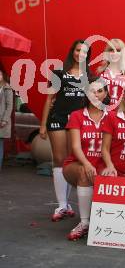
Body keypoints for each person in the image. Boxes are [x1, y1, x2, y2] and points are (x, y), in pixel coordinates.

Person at [40, 39, 92, 221]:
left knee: (71, 160)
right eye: (78, 50)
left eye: (84, 52)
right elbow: (49, 99)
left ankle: (68, 203)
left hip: (78, 122)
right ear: (73, 51)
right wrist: (42, 125)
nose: (80, 54)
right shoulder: (59, 73)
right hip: (58, 119)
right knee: (59, 159)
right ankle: (62, 205)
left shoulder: (90, 77)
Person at [63, 77, 109, 240]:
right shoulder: (77, 115)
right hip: (76, 164)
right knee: (84, 172)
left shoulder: (112, 116)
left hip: (101, 165)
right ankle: (84, 222)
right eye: (92, 91)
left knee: (112, 176)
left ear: (105, 94)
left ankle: (107, 222)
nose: (96, 94)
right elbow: (75, 147)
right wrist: (88, 164)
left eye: (100, 91)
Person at [97, 38, 125, 109]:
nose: (115, 53)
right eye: (111, 50)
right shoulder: (100, 73)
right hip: (102, 114)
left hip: (120, 115)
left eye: (118, 50)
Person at [0, 69, 13, 169]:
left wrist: (4, 120)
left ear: (3, 76)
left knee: (0, 144)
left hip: (1, 120)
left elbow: (10, 106)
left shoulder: (7, 88)